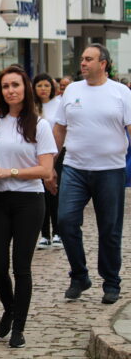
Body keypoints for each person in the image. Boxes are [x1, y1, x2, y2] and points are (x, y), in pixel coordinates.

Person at [0, 65, 56, 348]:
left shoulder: (40, 125)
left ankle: (19, 328)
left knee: (21, 267)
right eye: (5, 86)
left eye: (15, 85)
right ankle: (10, 308)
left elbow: (46, 171)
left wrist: (10, 172)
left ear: (25, 88)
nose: (11, 90)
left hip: (29, 201)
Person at [53, 44, 131, 305]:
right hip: (74, 168)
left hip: (110, 169)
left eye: (89, 59)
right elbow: (59, 129)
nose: (83, 63)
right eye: (82, 59)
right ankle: (79, 275)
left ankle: (111, 282)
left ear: (103, 63)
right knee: (64, 221)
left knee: (109, 228)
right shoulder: (72, 90)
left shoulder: (121, 93)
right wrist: (51, 163)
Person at [32, 73, 62, 249]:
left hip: (57, 153)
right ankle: (44, 234)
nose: (43, 89)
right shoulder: (31, 106)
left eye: (46, 85)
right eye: (39, 85)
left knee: (55, 193)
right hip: (36, 154)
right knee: (41, 193)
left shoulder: (58, 105)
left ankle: (58, 231)